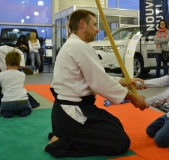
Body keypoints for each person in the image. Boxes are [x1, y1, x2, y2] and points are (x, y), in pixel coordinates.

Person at [44, 9, 148, 158]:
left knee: (114, 123)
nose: (97, 29)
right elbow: (99, 82)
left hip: (65, 113)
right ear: (82, 24)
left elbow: (95, 76)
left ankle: (66, 134)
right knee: (120, 142)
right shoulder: (79, 47)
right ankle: (63, 142)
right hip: (72, 114)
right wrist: (132, 98)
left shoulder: (72, 45)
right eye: (94, 24)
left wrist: (124, 81)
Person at [0, 50, 32, 118]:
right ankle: (25, 110)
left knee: (2, 108)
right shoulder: (22, 75)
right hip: (22, 102)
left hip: (7, 103)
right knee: (28, 106)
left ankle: (5, 112)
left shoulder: (1, 75)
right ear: (18, 64)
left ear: (6, 63)